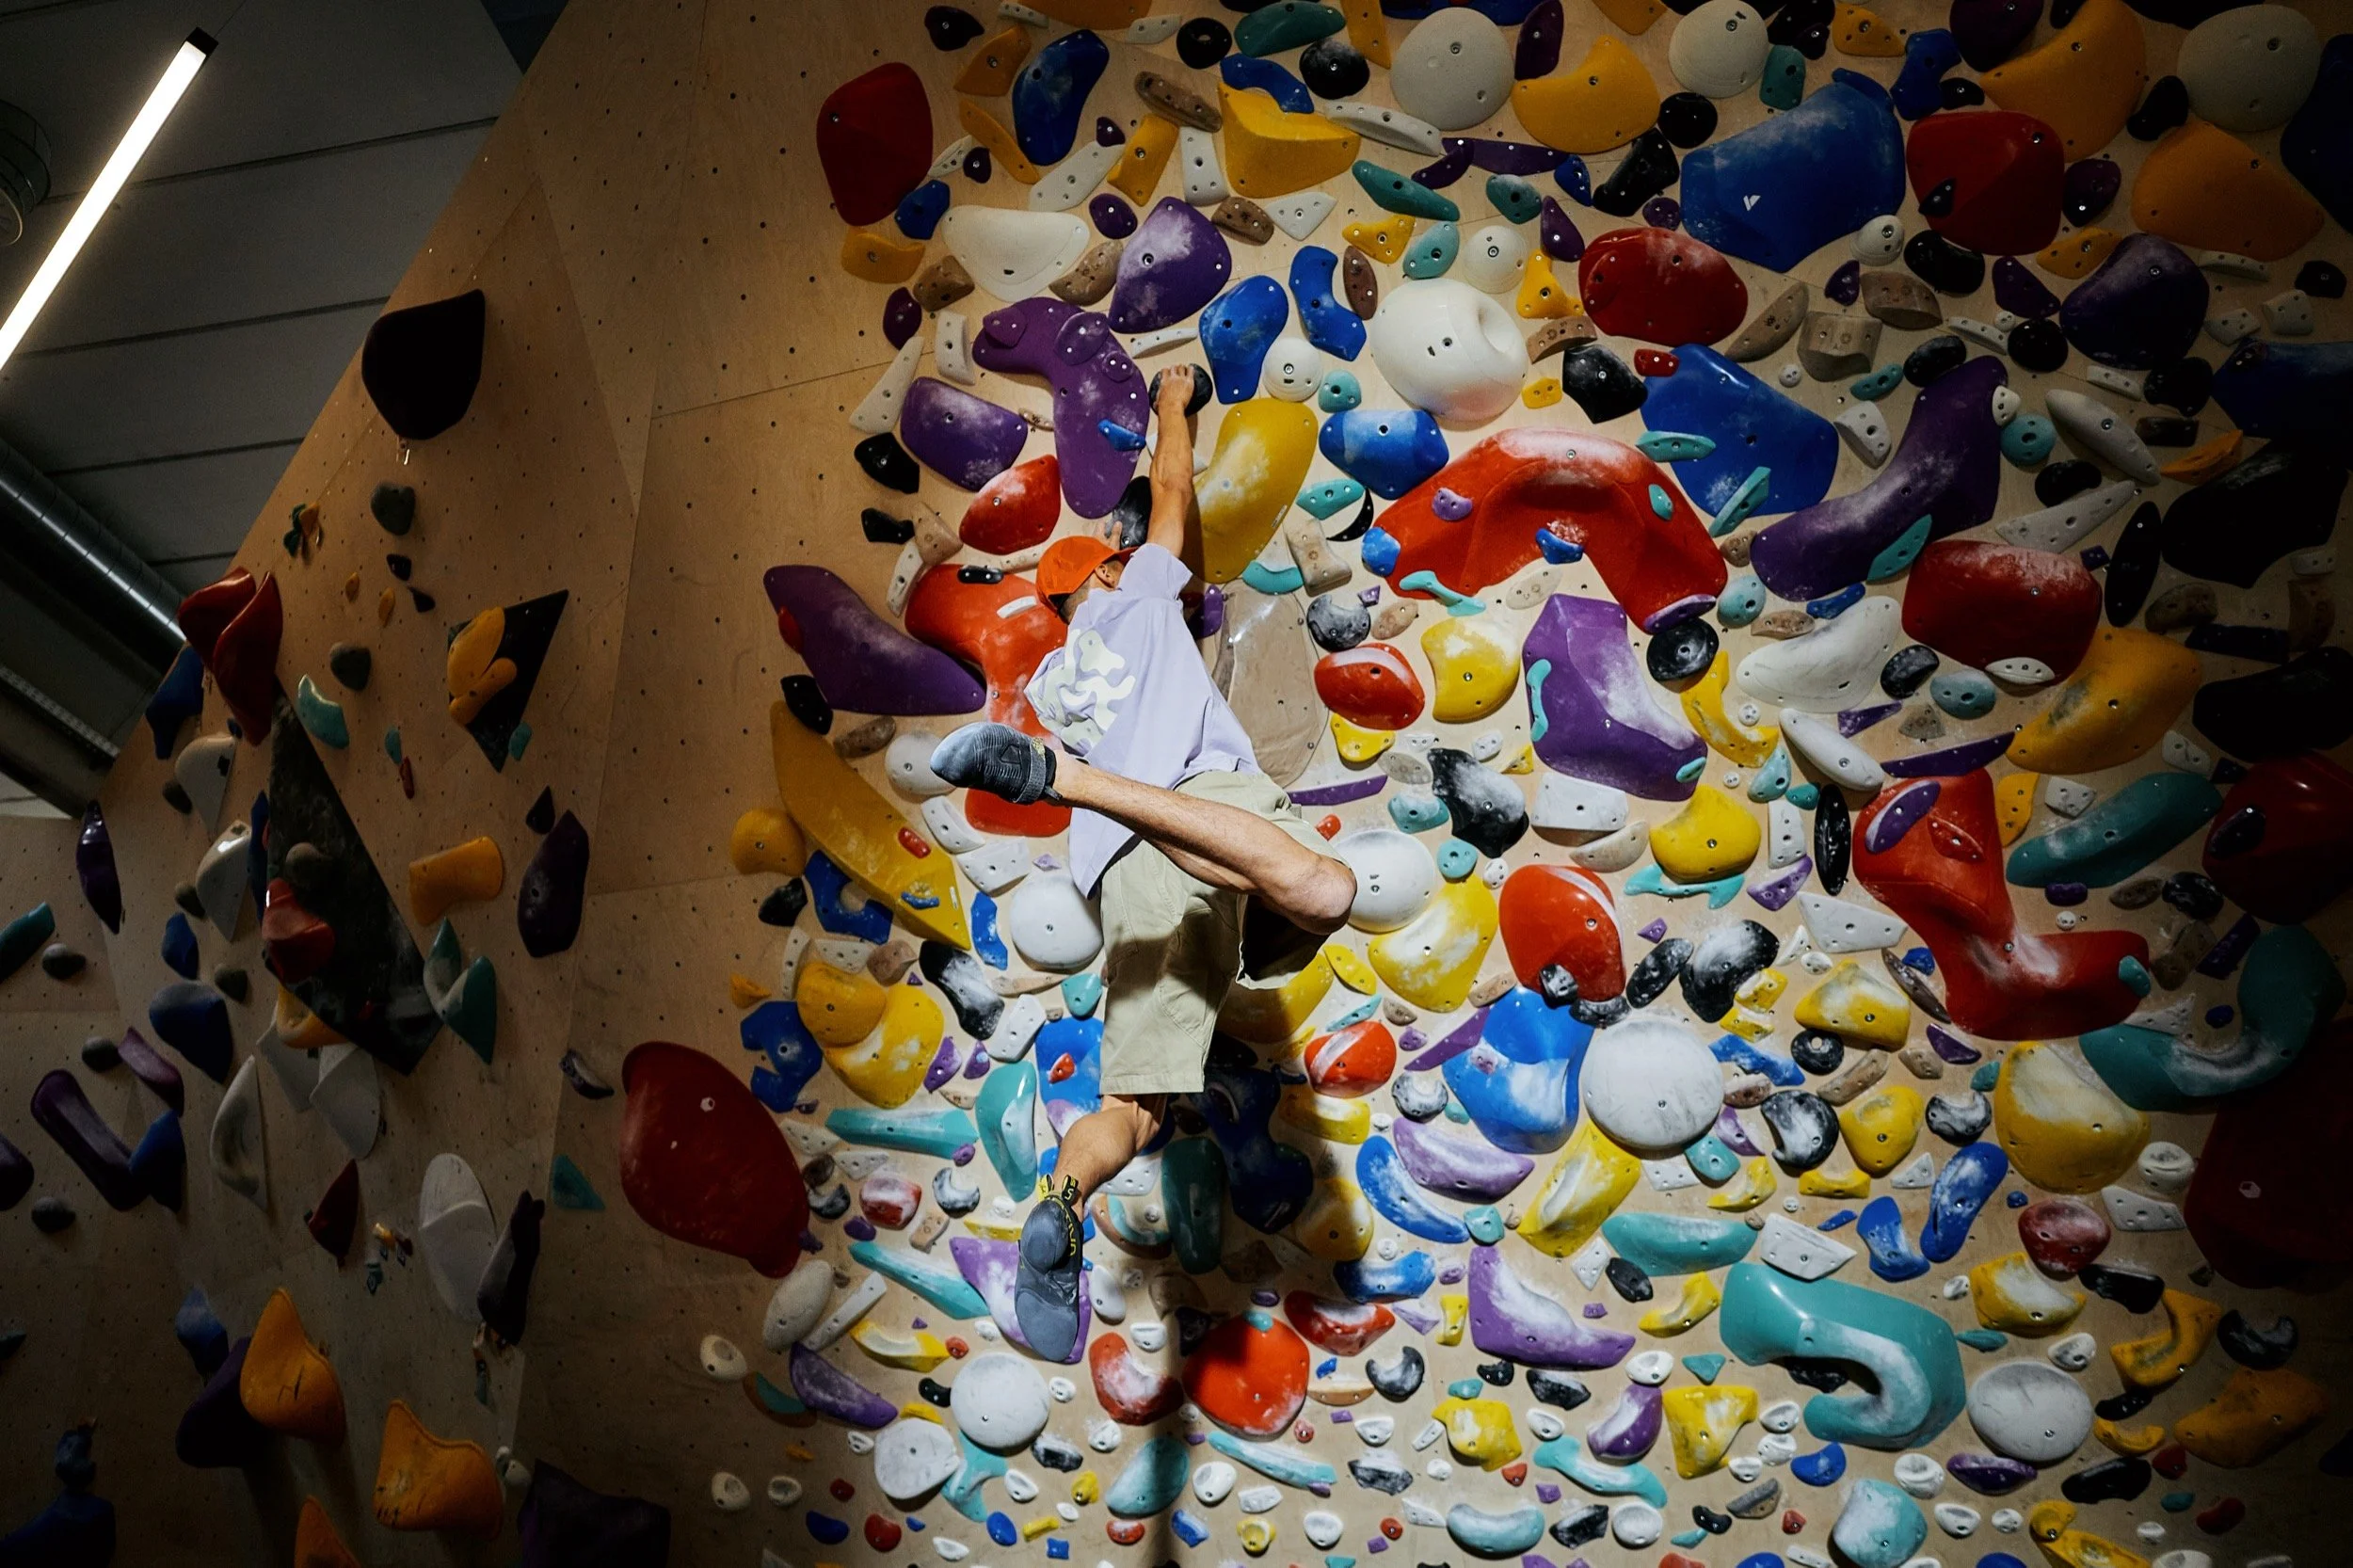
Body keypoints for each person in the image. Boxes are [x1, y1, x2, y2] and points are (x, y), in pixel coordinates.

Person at [929, 363, 1360, 1359]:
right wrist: (1173, 405)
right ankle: (1068, 782)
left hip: (1123, 873)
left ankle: (1062, 1199)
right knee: (1327, 888)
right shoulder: (1141, 600)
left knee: (1132, 1110)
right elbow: (1171, 491)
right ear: (1109, 573)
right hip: (1194, 803)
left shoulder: (1056, 683)